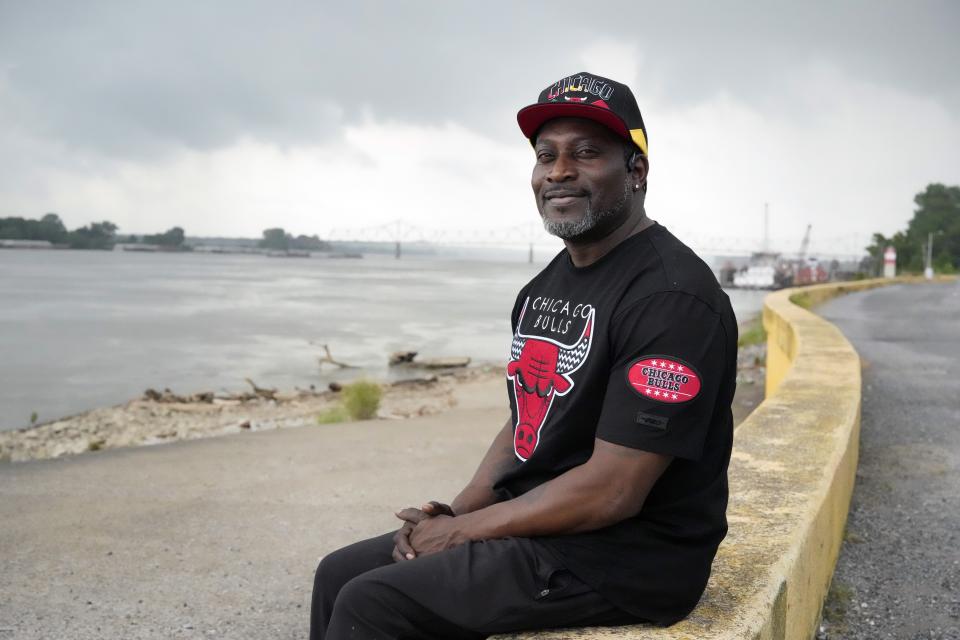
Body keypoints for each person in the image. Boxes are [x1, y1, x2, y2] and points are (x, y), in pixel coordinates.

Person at [309, 71, 737, 640]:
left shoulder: (671, 298)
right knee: (338, 574)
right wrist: (455, 514)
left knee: (374, 603)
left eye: (586, 153)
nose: (559, 171)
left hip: (625, 557)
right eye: (546, 155)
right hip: (545, 525)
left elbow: (614, 490)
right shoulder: (546, 286)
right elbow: (527, 422)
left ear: (636, 171)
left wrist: (465, 535)